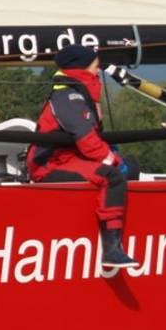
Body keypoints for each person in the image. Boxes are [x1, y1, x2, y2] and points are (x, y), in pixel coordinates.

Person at [26, 44, 138, 268]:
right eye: (95, 67)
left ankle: (124, 231)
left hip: (70, 159)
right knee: (112, 177)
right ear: (82, 69)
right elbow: (85, 138)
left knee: (132, 167)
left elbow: (91, 137)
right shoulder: (68, 96)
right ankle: (112, 249)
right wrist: (111, 159)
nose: (98, 71)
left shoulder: (80, 94)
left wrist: (113, 155)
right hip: (49, 164)